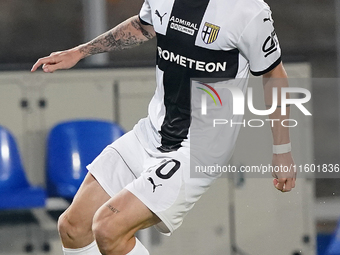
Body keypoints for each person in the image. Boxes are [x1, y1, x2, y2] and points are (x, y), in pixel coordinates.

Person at [31, 0, 296, 254]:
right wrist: (80, 51)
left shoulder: (248, 11)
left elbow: (274, 75)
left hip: (198, 150)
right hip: (151, 133)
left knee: (108, 228)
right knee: (73, 226)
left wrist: (282, 150)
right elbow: (143, 26)